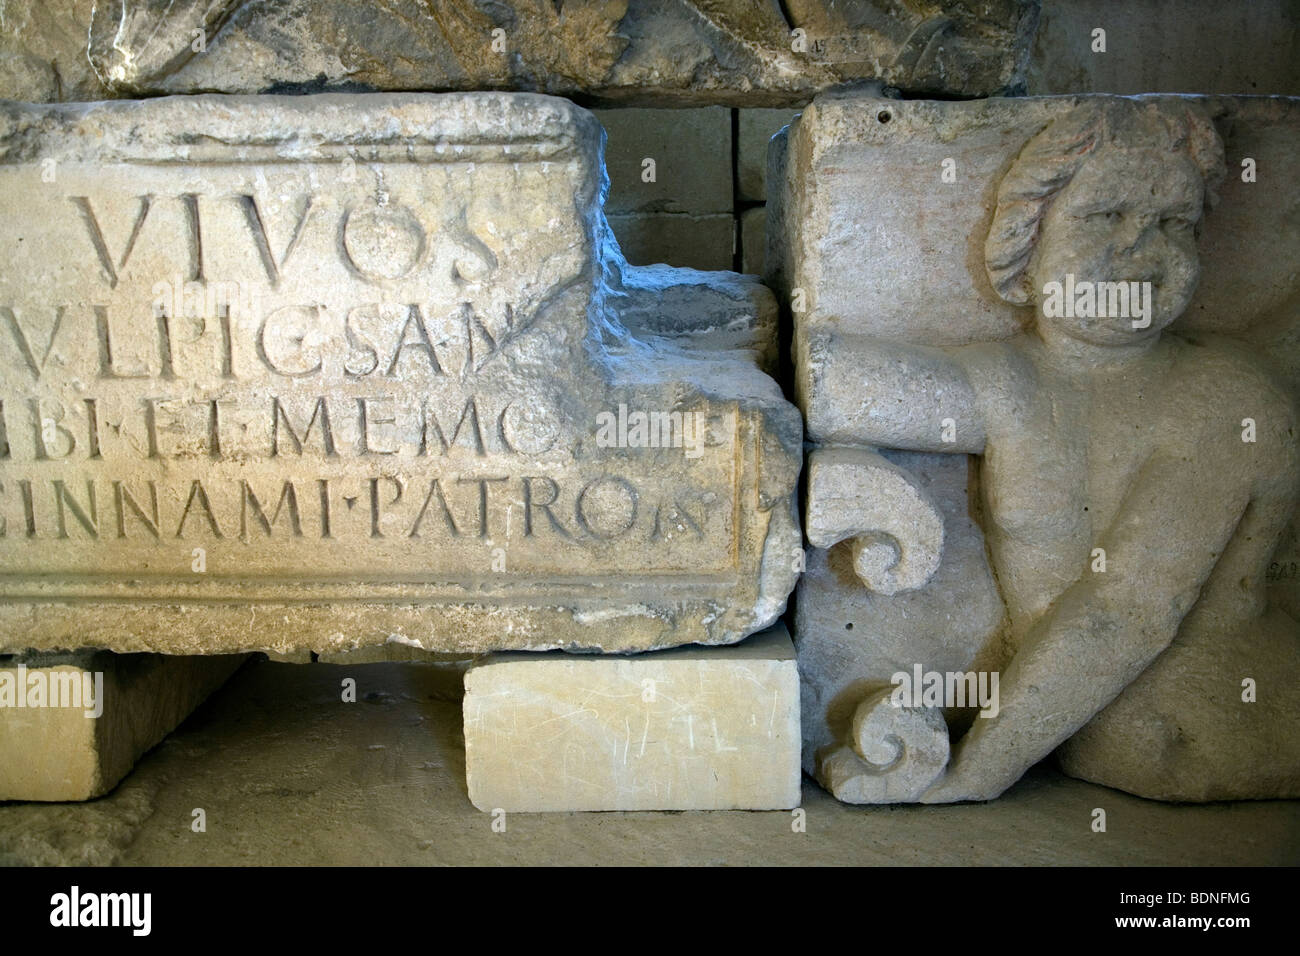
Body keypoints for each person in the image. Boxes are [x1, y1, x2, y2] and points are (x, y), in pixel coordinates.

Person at [817, 98, 1299, 801]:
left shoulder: (1226, 398)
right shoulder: (1010, 379)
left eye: (1175, 223)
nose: (1143, 247)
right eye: (1106, 216)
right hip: (1097, 740)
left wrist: (974, 773)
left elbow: (1129, 609)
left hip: (1237, 731)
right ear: (1026, 238)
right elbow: (834, 383)